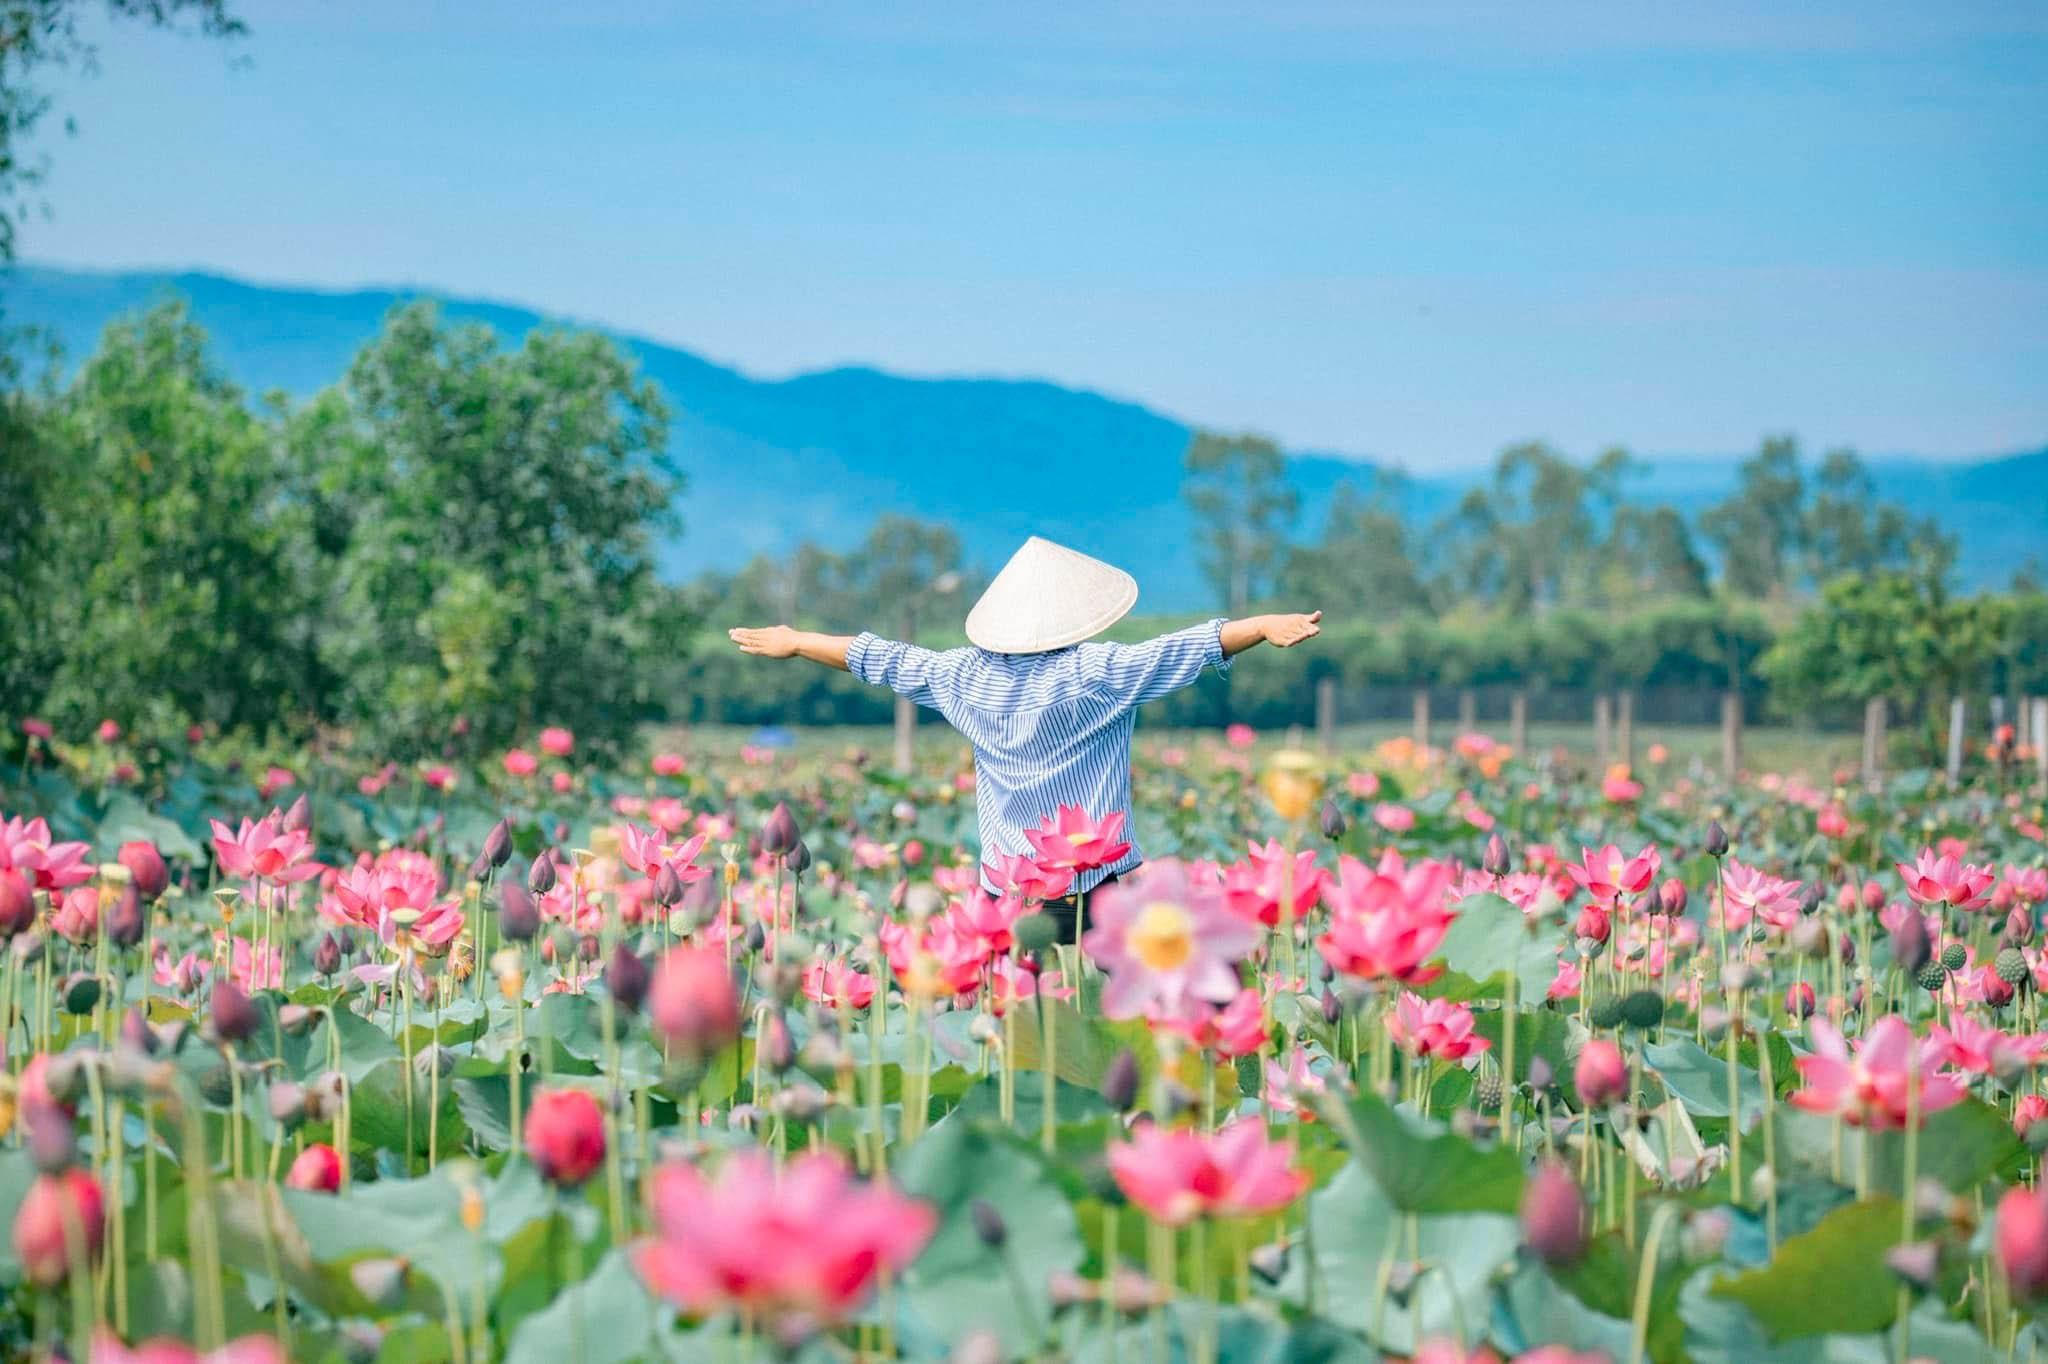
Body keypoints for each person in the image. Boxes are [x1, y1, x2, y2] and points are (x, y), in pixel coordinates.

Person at [728, 536, 1320, 937]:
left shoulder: (961, 676)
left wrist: (797, 640)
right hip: (1096, 889)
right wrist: (1261, 626)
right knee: (1127, 1013)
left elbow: (878, 657)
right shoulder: (1100, 673)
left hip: (1007, 892)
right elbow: (1187, 647)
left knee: (1012, 1023)